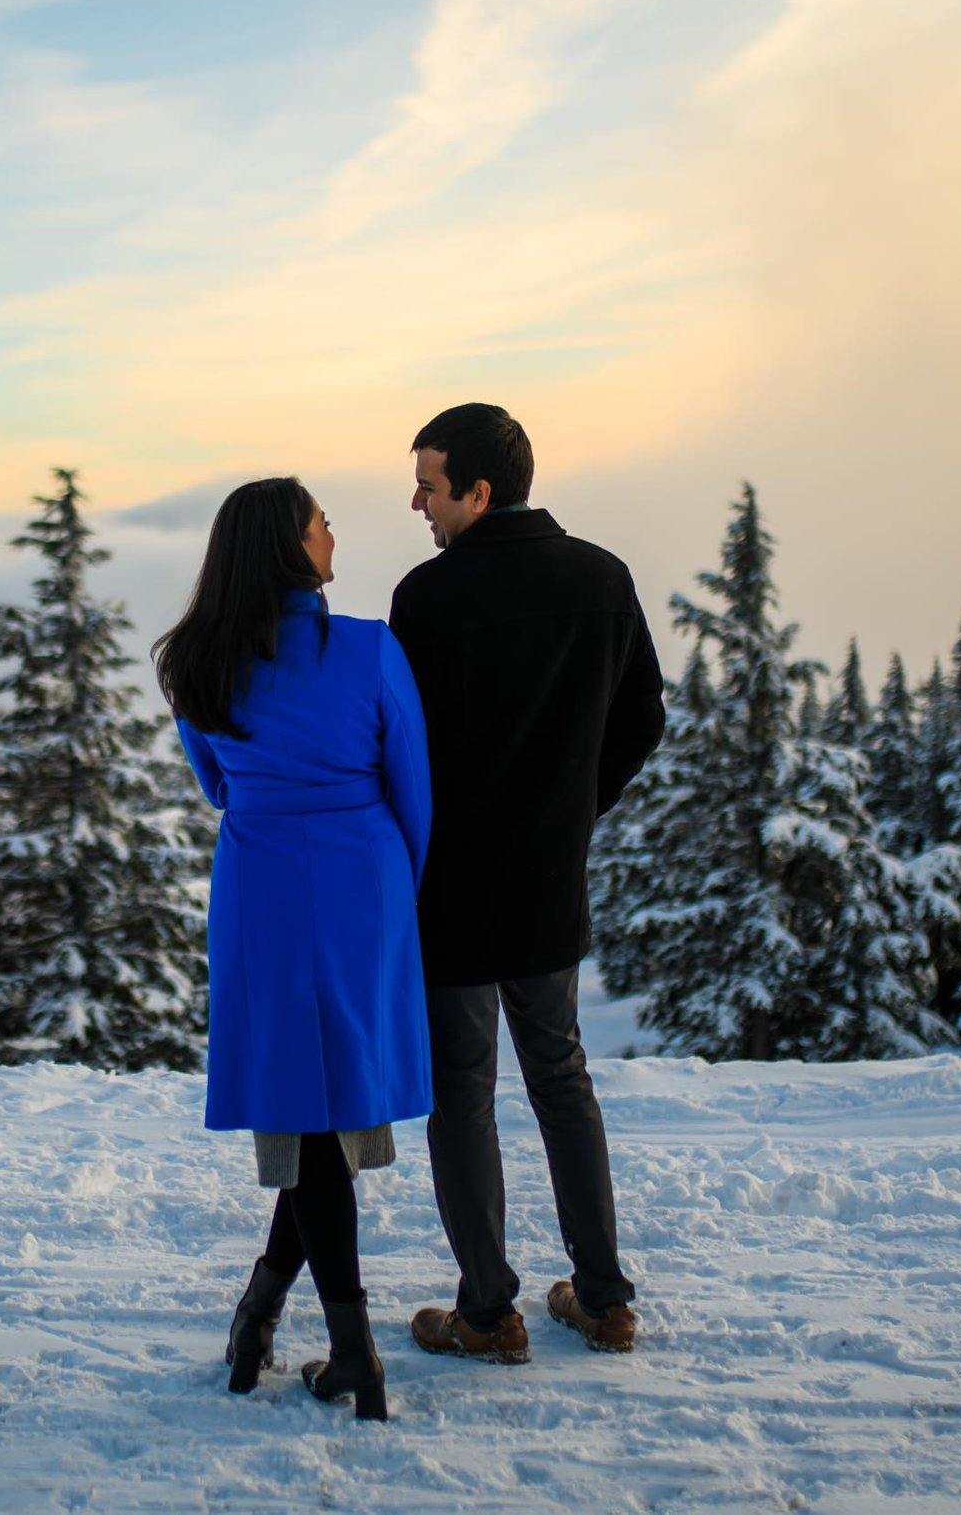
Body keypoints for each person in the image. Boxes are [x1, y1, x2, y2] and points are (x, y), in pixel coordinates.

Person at [387, 403, 665, 1361]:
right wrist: (573, 813)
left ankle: (487, 1312)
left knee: (463, 1093)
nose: (417, 502)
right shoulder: (602, 578)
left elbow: (403, 748)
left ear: (478, 489)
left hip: (453, 888)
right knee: (561, 1079)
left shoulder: (425, 598)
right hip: (549, 881)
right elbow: (643, 721)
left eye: (428, 483)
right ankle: (603, 1300)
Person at [155, 476, 433, 1422]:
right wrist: (398, 890)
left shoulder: (198, 662)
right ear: (288, 545)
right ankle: (352, 1353)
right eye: (319, 520)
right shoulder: (367, 647)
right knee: (333, 1111)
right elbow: (413, 788)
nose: (331, 530)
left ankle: (263, 1312)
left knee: (308, 1116)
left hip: (263, 885)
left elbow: (215, 783)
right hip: (363, 880)